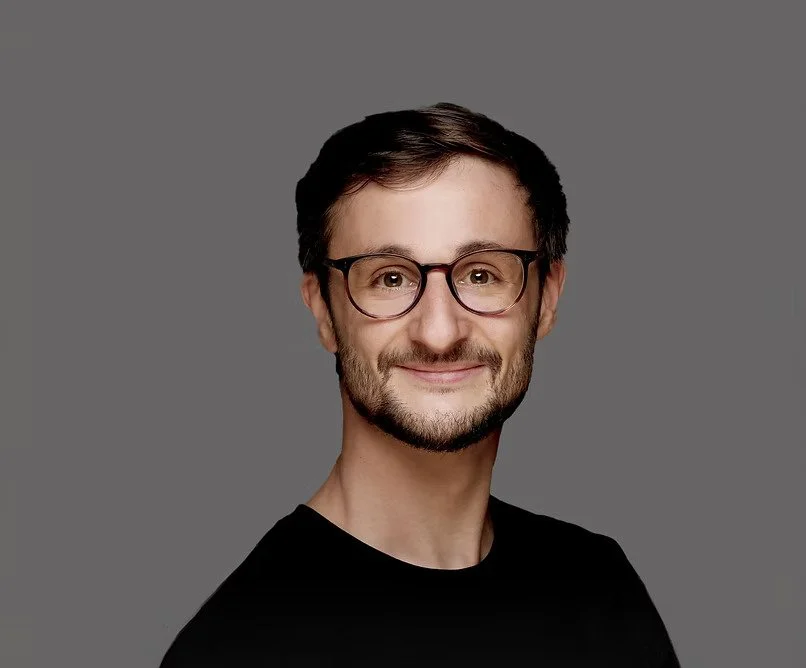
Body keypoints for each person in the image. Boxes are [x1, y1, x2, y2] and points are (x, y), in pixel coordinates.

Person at [159, 102, 680, 667]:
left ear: (547, 298)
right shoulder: (237, 648)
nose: (438, 331)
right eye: (389, 278)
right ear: (324, 312)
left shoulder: (600, 593)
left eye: (482, 274)